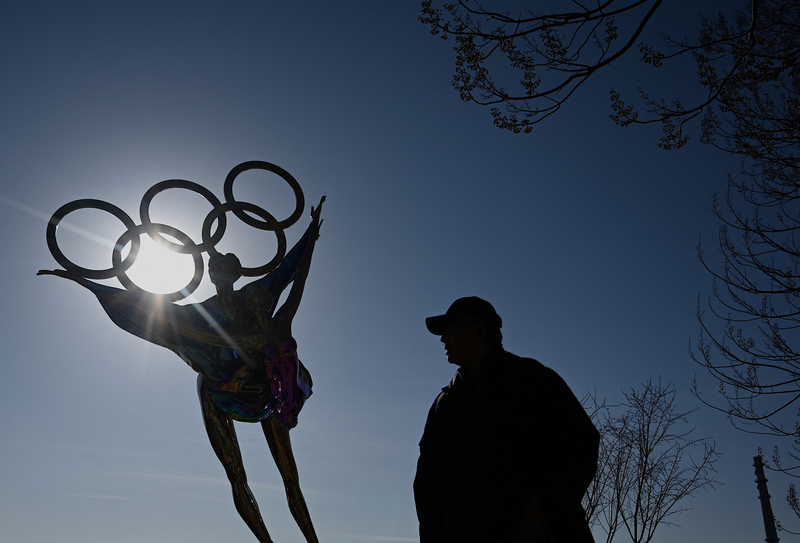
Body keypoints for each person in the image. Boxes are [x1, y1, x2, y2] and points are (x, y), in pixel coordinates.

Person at [38, 197, 326, 543]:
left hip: (267, 386)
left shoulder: (259, 298)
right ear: (212, 274)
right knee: (236, 474)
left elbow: (291, 273)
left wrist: (311, 234)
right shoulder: (200, 314)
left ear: (235, 273)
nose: (220, 271)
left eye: (225, 266)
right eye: (215, 267)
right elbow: (146, 308)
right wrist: (86, 282)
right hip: (219, 391)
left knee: (289, 477)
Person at [414, 297, 600, 543]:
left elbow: (581, 440)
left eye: (450, 329)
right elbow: (428, 481)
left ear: (479, 330)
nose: (443, 339)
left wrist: (547, 501)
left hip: (534, 532)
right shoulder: (444, 405)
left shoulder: (532, 380)